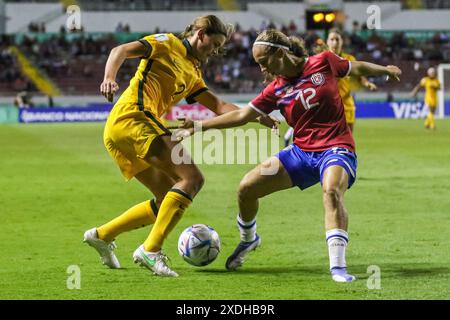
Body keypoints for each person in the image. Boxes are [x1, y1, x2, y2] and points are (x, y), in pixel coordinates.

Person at [175, 29, 401, 282]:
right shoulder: (275, 89)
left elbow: (355, 68)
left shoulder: (323, 61)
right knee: (247, 188)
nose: (262, 69)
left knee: (331, 192)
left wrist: (385, 70)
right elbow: (241, 115)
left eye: (264, 62)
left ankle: (338, 268)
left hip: (336, 146)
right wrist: (198, 126)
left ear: (280, 53)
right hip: (301, 152)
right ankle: (249, 240)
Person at [83, 15, 277, 277]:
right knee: (192, 178)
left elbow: (218, 106)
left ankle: (102, 236)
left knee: (166, 197)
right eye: (214, 43)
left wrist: (255, 113)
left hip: (123, 129)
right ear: (200, 33)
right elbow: (120, 50)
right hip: (134, 116)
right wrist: (109, 78)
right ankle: (150, 250)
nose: (215, 51)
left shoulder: (193, 71)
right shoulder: (166, 43)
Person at [284, 28, 377, 146]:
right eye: (332, 39)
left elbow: (359, 76)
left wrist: (367, 84)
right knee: (324, 142)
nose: (335, 42)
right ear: (327, 41)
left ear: (342, 41)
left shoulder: (349, 59)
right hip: (326, 106)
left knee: (347, 142)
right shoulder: (321, 59)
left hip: (346, 105)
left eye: (337, 39)